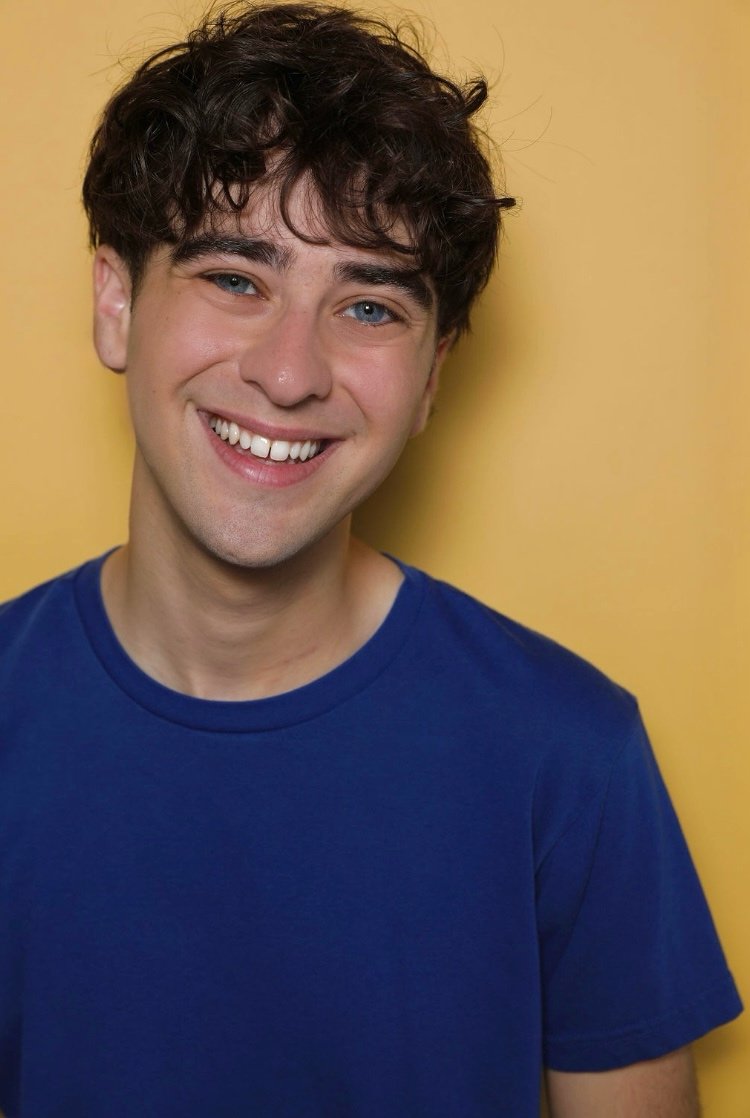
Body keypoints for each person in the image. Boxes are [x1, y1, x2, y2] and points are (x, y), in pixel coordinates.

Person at [0, 3, 741, 1115]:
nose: (290, 372)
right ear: (117, 303)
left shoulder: (570, 756)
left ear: (432, 377)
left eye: (369, 305)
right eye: (235, 279)